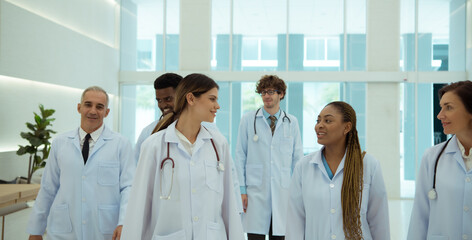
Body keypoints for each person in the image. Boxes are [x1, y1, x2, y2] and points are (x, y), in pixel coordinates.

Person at [121, 73, 244, 240]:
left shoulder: (218, 144)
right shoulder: (154, 145)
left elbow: (229, 203)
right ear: (191, 99)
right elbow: (138, 206)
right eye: (212, 99)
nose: (217, 106)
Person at [27, 86, 136, 240]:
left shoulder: (121, 144)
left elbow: (128, 187)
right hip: (63, 229)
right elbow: (48, 188)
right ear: (79, 107)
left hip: (105, 229)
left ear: (107, 112)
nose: (93, 111)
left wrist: (124, 222)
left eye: (99, 107)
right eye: (88, 104)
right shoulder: (60, 143)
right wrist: (36, 230)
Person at [285, 101, 390, 240]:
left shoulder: (369, 165)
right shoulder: (304, 166)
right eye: (318, 120)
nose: (319, 125)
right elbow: (295, 222)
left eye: (328, 120)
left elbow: (379, 223)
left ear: (347, 127)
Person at [234, 75, 303, 239]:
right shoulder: (248, 120)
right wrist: (241, 191)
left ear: (281, 94)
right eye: (263, 92)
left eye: (271, 91)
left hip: (283, 191)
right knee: (255, 235)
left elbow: (298, 159)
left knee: (279, 234)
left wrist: (298, 191)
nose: (267, 96)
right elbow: (240, 156)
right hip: (255, 192)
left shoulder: (291, 122)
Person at [407, 80, 472, 240]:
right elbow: (420, 217)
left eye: (448, 107)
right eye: (441, 107)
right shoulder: (432, 157)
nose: (439, 115)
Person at [134, 73, 183, 162]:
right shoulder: (148, 132)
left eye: (168, 99)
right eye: (159, 100)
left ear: (182, 96)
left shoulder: (206, 129)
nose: (163, 105)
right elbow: (137, 167)